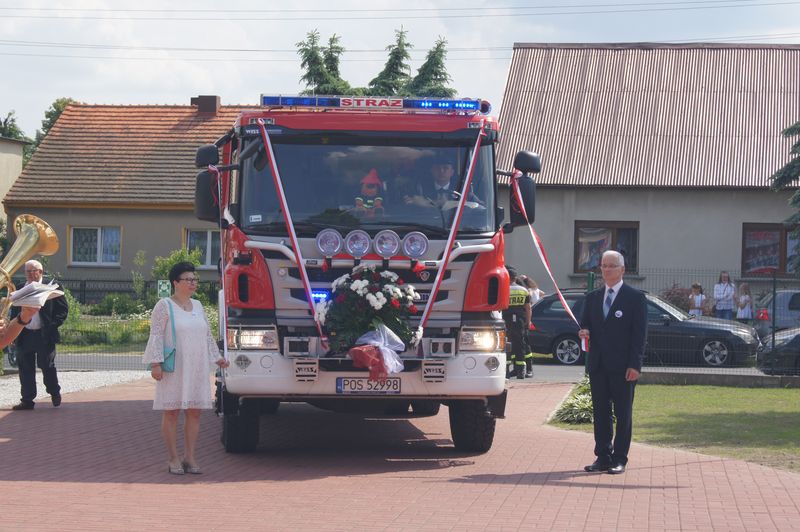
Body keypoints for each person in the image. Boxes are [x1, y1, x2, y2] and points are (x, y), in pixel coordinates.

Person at [142, 262, 229, 475]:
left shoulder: (198, 306)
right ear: (175, 283)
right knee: (171, 412)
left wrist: (217, 358)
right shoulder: (164, 305)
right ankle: (173, 458)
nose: (193, 283)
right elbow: (156, 335)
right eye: (188, 279)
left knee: (194, 412)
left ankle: (190, 457)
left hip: (196, 367)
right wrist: (155, 363)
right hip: (174, 367)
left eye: (194, 279)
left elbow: (206, 335)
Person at [578, 250, 647, 475]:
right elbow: (585, 324)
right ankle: (603, 456)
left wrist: (635, 365)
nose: (607, 270)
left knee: (623, 413)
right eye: (604, 266)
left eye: (611, 266)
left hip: (624, 367)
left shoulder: (634, 298)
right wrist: (584, 331)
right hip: (599, 366)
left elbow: (639, 335)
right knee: (601, 412)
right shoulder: (593, 298)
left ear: (622, 270)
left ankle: (620, 458)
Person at [9, 260, 69, 411]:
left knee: (46, 365)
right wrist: (12, 333)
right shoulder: (22, 288)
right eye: (27, 271)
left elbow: (62, 310)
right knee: (25, 368)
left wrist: (52, 326)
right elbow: (14, 312)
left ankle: (54, 392)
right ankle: (27, 401)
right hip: (25, 334)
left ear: (41, 272)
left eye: (33, 271)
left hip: (44, 334)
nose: (30, 274)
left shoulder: (52, 286)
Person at [502, 266, 532, 380]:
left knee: (507, 344)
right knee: (520, 345)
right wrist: (528, 322)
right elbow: (528, 308)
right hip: (520, 320)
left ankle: (506, 372)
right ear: (515, 278)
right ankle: (521, 372)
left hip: (506, 319)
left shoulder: (504, 290)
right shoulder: (523, 290)